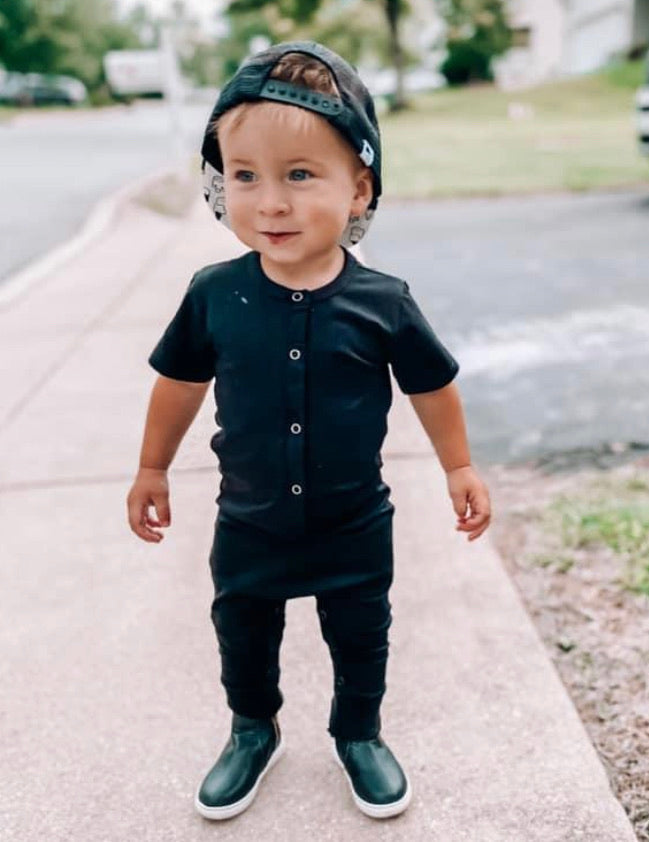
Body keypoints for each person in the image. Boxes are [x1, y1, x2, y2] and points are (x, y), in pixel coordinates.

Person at [126, 40, 491, 822]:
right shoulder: (215, 295)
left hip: (354, 522)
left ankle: (359, 733)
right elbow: (178, 384)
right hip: (250, 520)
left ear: (358, 189)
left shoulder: (384, 302)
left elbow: (433, 385)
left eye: (299, 175)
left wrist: (459, 468)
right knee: (242, 634)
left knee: (362, 637)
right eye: (245, 176)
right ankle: (252, 730)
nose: (270, 203)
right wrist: (152, 469)